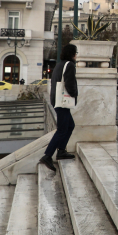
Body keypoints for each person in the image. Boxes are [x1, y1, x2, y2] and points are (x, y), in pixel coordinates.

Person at [40, 43, 78, 171]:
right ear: (72, 54)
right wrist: (74, 94)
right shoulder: (70, 65)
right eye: (75, 53)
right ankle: (47, 155)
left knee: (70, 126)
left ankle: (61, 151)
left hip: (57, 99)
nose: (76, 55)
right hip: (62, 101)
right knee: (62, 129)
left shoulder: (59, 65)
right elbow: (69, 83)